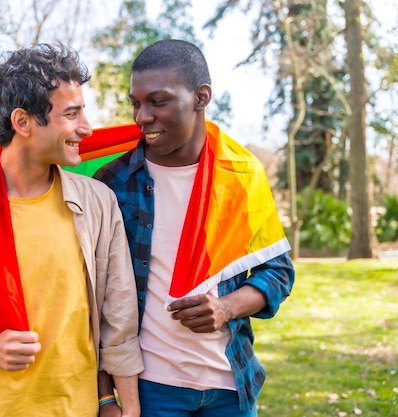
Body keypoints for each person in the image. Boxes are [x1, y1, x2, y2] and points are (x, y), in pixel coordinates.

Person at [94, 39, 295, 417]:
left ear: (201, 97)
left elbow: (278, 271)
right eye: (136, 103)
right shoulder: (113, 182)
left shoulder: (240, 175)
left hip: (230, 387)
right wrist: (106, 397)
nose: (141, 117)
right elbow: (92, 297)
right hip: (151, 388)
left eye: (158, 101)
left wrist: (225, 307)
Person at [0, 43, 143, 417]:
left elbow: (119, 315)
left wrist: (125, 406)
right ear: (23, 123)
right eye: (71, 114)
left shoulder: (98, 202)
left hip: (79, 408)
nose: (87, 127)